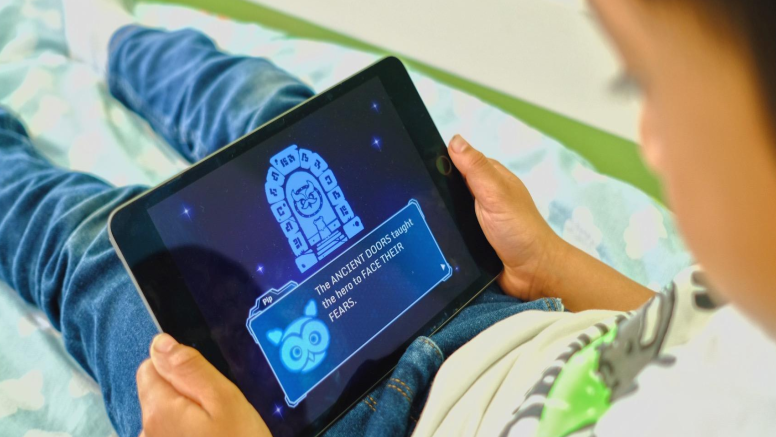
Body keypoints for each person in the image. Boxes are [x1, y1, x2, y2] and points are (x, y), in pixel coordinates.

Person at [1, 0, 774, 436]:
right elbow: (668, 327)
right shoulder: (757, 321)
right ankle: (126, 44)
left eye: (649, 82)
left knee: (95, 261)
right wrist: (552, 261)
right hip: (492, 304)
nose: (649, 138)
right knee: (283, 122)